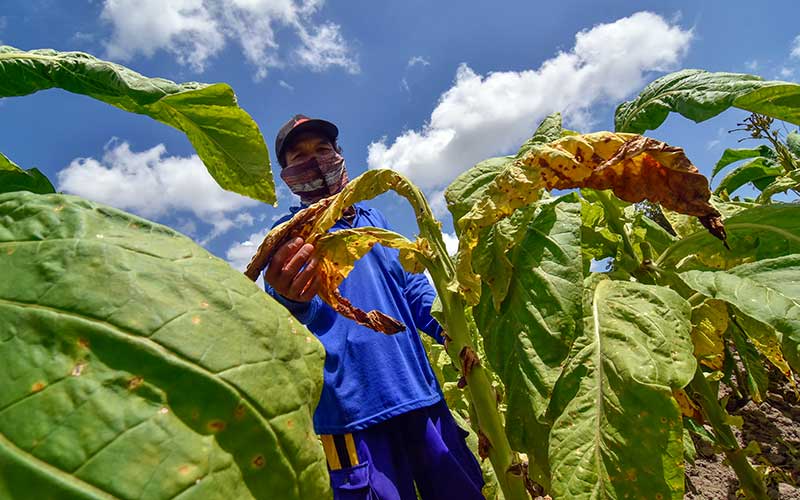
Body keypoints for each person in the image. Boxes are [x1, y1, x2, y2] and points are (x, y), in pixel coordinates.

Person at [264, 114, 485, 500]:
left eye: (322, 149)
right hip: (351, 415)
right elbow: (282, 316)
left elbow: (413, 290)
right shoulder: (290, 238)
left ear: (339, 155)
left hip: (418, 393)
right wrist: (291, 299)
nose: (314, 160)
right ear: (287, 176)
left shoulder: (375, 220)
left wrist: (457, 329)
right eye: (298, 156)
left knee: (460, 489)